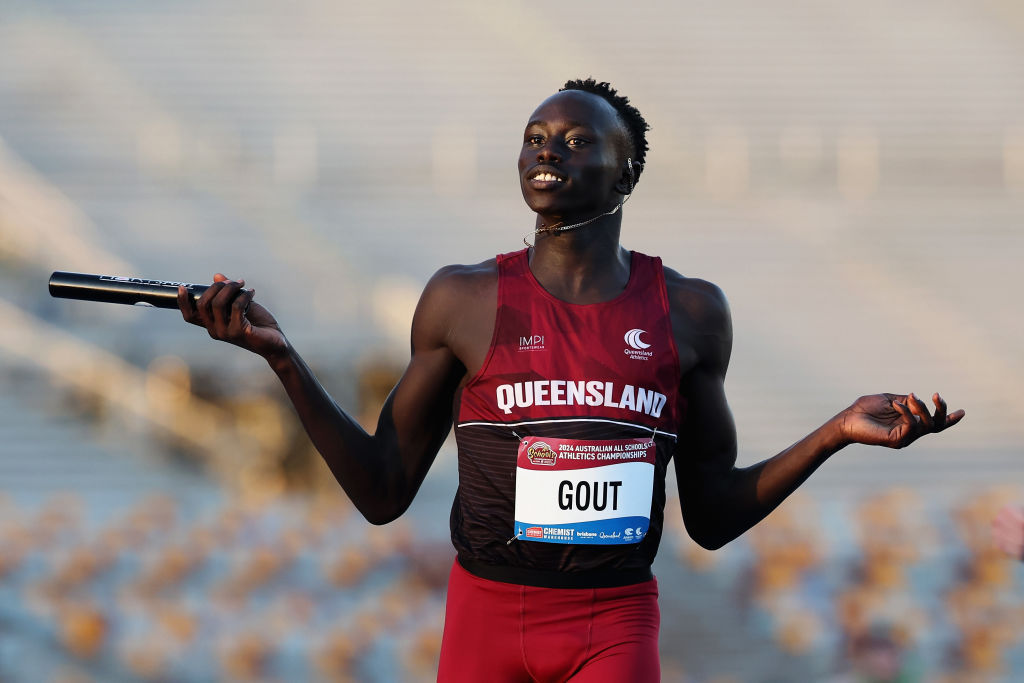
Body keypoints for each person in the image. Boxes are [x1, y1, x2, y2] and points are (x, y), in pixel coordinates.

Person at [177, 78, 965, 682]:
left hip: (614, 619)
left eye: (576, 140)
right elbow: (383, 490)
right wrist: (284, 357)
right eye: (534, 137)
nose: (547, 150)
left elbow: (714, 515)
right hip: (484, 615)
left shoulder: (690, 312)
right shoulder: (463, 298)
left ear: (626, 173)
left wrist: (835, 432)